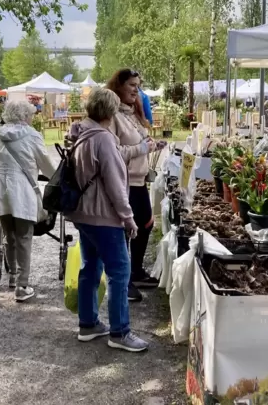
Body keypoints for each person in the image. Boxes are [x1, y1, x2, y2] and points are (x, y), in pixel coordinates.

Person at [67, 87, 148, 352]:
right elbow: (114, 182)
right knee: (119, 271)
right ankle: (120, 332)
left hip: (84, 213)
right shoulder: (102, 138)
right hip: (103, 215)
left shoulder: (81, 133)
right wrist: (128, 217)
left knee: (90, 268)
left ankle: (88, 322)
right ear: (110, 112)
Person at [0, 101, 56, 302]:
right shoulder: (32, 136)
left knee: (9, 235)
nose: (31, 118)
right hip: (22, 192)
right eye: (30, 115)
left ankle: (12, 278)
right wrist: (55, 179)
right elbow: (47, 167)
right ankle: (22, 285)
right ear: (24, 116)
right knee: (24, 237)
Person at [106, 69, 164, 302]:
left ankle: (136, 271)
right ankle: (123, 282)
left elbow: (138, 141)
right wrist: (142, 148)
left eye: (138, 86)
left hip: (139, 181)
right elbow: (113, 152)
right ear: (118, 86)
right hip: (124, 182)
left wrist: (151, 144)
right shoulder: (112, 116)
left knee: (146, 224)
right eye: (131, 85)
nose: (135, 90)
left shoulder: (131, 113)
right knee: (126, 231)